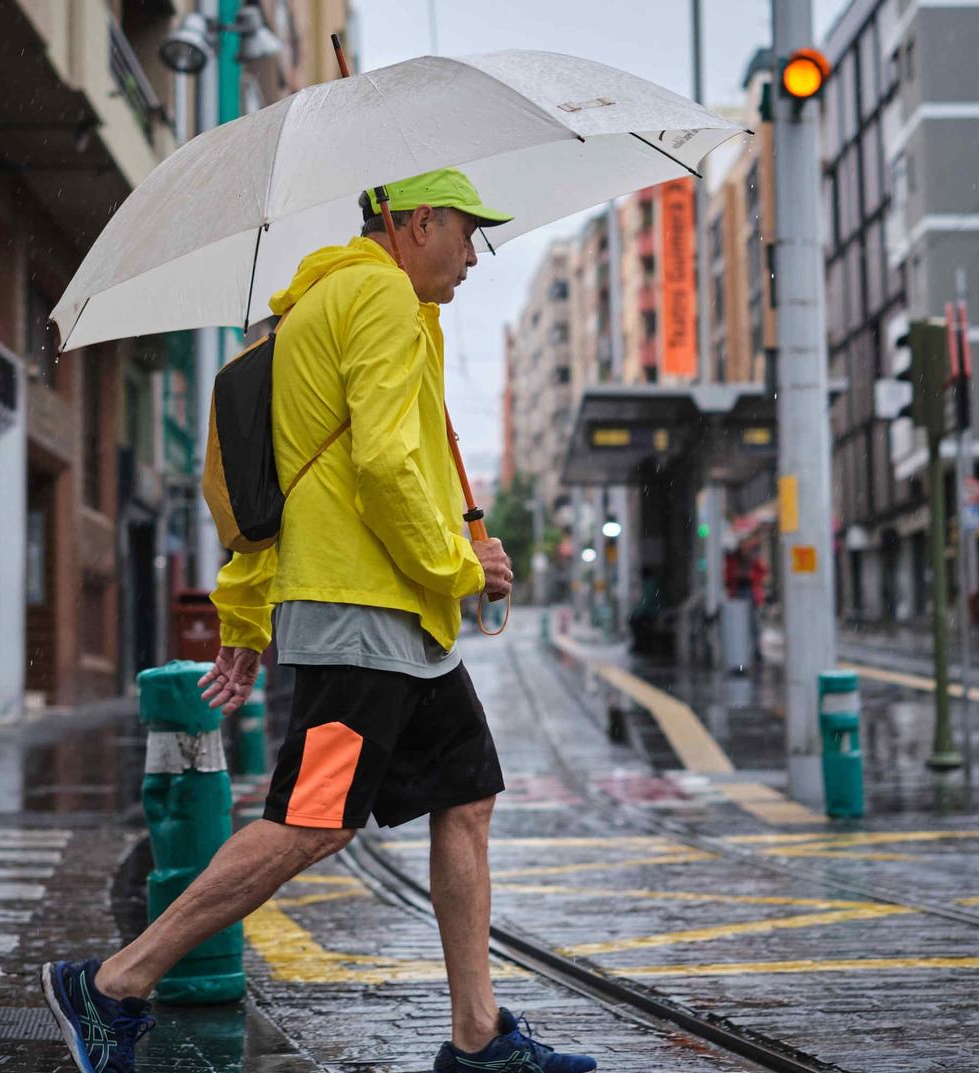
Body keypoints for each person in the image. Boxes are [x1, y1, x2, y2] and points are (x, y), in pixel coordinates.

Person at [40, 168, 596, 1073]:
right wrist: (461, 565)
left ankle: (476, 1036)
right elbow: (377, 468)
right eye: (466, 233)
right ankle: (112, 984)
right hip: (363, 617)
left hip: (395, 626)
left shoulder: (317, 310)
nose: (471, 255)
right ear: (418, 222)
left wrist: (250, 617)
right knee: (313, 819)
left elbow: (276, 489)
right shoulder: (376, 295)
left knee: (465, 797)